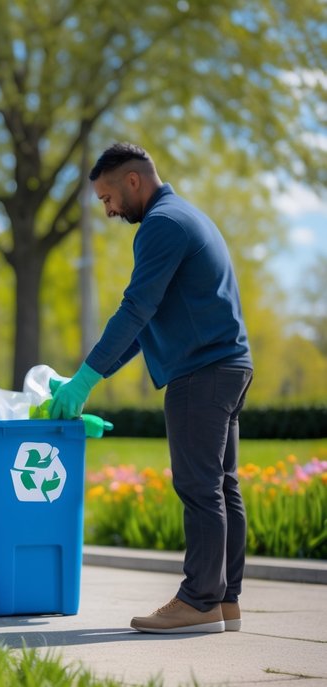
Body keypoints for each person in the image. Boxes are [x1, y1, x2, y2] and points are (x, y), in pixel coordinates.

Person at [51, 142, 253, 634]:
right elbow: (145, 327)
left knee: (200, 487)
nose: (108, 210)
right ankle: (224, 600)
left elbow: (136, 308)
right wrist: (89, 376)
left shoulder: (162, 224)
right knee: (221, 485)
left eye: (107, 198)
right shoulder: (188, 216)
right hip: (229, 365)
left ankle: (198, 601)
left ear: (133, 180)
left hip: (201, 373)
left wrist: (86, 378)